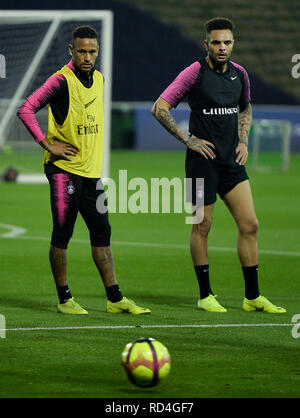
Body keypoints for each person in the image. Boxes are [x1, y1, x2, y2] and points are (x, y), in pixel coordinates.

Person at [152, 17, 286, 313]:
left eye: (227, 42)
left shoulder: (240, 74)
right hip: (202, 164)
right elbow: (159, 108)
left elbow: (246, 106)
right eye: (216, 42)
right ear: (206, 44)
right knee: (202, 225)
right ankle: (205, 296)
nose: (222, 47)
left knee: (250, 225)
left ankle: (252, 297)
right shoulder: (194, 73)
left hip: (231, 163)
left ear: (233, 43)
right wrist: (188, 140)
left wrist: (243, 140)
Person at [17, 25, 150, 315]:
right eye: (82, 51)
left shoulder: (100, 79)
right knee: (62, 234)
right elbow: (26, 108)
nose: (87, 56)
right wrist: (47, 144)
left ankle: (115, 299)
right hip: (63, 171)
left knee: (102, 233)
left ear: (97, 51)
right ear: (71, 51)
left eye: (92, 51)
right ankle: (65, 299)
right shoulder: (60, 82)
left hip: (91, 173)